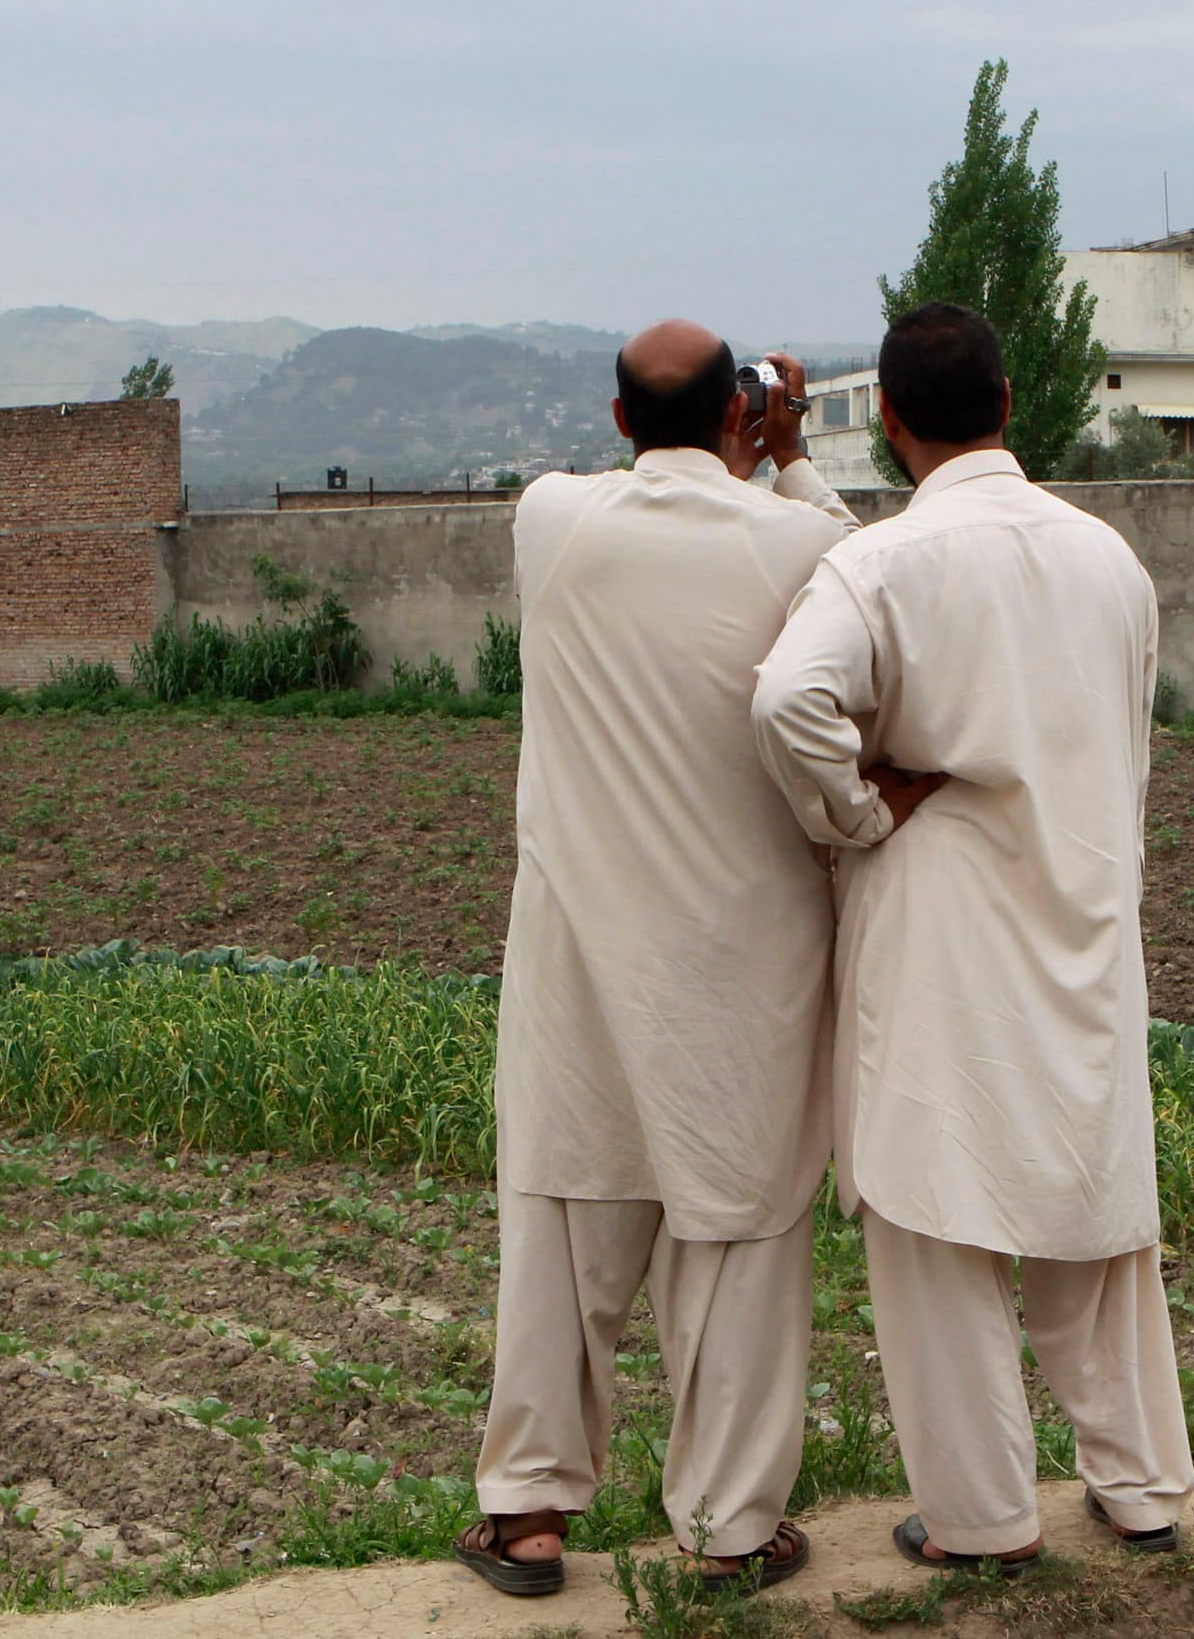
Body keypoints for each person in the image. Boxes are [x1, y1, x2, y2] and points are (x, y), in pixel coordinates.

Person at [750, 301, 1194, 1574]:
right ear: (1010, 403)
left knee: (938, 1227)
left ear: (887, 425)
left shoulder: (882, 564)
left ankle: (984, 1519)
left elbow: (789, 697)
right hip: (1084, 903)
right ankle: (1142, 1484)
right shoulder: (1112, 562)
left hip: (943, 924)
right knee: (1096, 1219)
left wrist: (855, 807)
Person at [455, 319, 852, 1600]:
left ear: (620, 422)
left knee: (564, 1222)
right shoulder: (803, 543)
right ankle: (732, 1524)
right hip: (741, 966)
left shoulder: (552, 523)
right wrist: (786, 460)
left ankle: (527, 1514)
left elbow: (620, 481)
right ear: (746, 412)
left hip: (579, 961)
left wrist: (732, 449)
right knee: (738, 1233)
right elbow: (859, 581)